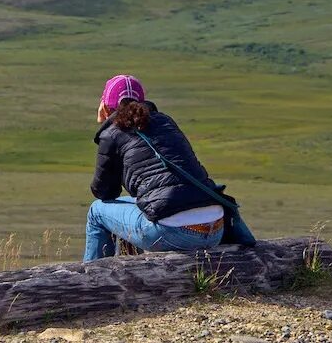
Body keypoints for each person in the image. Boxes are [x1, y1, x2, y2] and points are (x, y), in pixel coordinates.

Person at [83, 74, 225, 262]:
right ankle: (130, 273)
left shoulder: (112, 134)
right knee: (137, 203)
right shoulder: (165, 121)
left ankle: (93, 280)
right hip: (216, 227)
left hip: (174, 232)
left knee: (97, 211)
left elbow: (104, 192)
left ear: (106, 106)